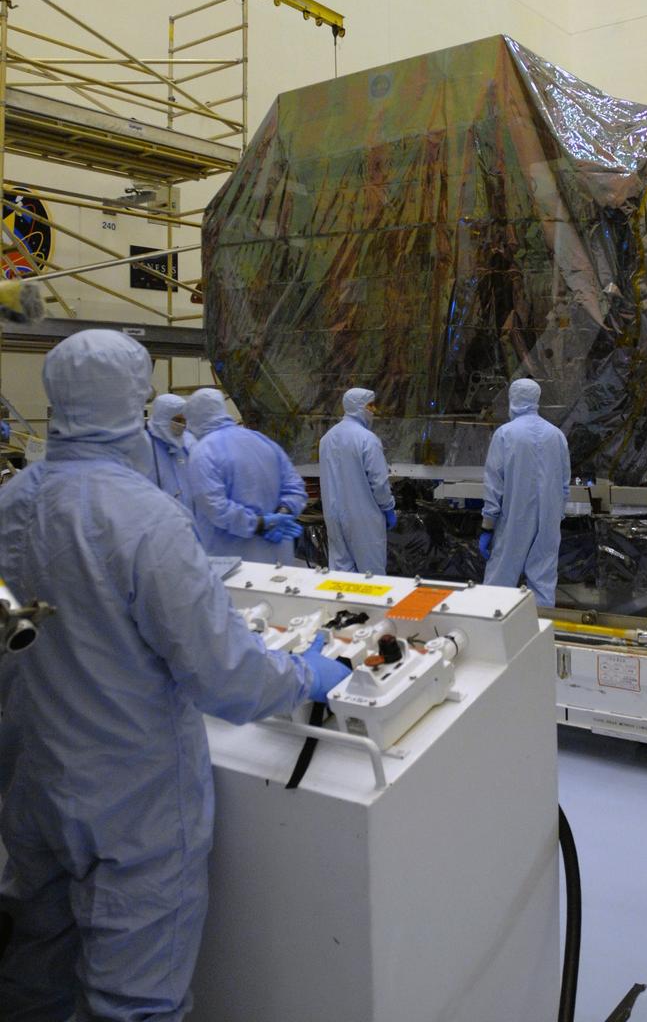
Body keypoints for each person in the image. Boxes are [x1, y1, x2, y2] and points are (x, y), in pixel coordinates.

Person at [0, 329, 349, 1022]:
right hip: (130, 802)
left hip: (30, 787)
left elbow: (21, 635)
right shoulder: (145, 519)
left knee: (35, 973)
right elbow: (226, 679)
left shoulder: (11, 505)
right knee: (135, 1000)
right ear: (135, 405)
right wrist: (306, 674)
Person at [185, 388, 307, 563]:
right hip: (279, 557)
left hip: (233, 562)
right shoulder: (262, 441)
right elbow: (295, 487)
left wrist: (259, 524)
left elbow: (215, 506)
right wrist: (282, 514)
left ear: (193, 417)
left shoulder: (203, 452)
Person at [479, 378, 571, 606]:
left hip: (514, 520)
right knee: (543, 582)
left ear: (513, 399)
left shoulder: (505, 434)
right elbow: (564, 484)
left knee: (499, 582)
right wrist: (556, 515)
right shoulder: (556, 435)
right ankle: (539, 632)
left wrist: (488, 524)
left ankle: (494, 634)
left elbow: (494, 483)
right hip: (548, 521)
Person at [319, 388, 396, 574]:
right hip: (364, 519)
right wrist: (388, 507)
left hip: (334, 516)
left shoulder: (326, 439)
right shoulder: (367, 439)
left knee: (341, 574)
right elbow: (379, 482)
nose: (373, 410)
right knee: (372, 576)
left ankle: (344, 605)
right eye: (369, 405)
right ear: (357, 407)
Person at [147, 392, 194, 510]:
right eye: (177, 420)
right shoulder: (145, 446)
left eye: (184, 421)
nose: (182, 425)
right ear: (163, 417)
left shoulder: (185, 445)